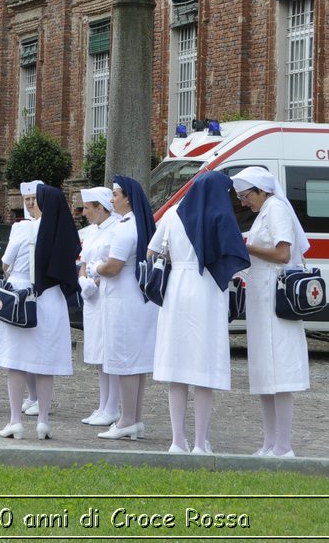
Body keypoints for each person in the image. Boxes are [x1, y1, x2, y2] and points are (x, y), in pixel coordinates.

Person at [149, 170, 249, 454]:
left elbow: (151, 252)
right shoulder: (220, 216)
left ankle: (176, 440)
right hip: (207, 289)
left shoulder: (172, 216)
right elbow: (237, 258)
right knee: (205, 369)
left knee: (177, 368)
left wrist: (174, 258)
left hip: (177, 291)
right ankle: (200, 442)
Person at [233, 165, 311, 457]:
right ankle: (269, 442)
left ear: (261, 190)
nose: (243, 202)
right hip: (260, 298)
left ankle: (284, 445)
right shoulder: (263, 213)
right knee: (265, 374)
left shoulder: (276, 209)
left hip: (276, 300)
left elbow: (283, 253)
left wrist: (247, 249)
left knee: (281, 374)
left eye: (245, 196)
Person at [0, 183, 78, 440]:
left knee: (16, 364)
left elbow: (6, 263)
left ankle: (15, 420)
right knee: (45, 364)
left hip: (22, 299)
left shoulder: (22, 228)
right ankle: (43, 422)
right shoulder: (64, 231)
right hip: (50, 300)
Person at [86, 175, 159, 441]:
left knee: (126, 360)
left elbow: (113, 266)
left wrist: (95, 267)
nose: (112, 198)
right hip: (137, 298)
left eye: (116, 194)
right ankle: (134, 418)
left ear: (128, 197)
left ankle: (127, 419)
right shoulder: (138, 223)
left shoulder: (125, 227)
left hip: (124, 299)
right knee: (136, 362)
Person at [76, 186, 120, 426]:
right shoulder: (92, 231)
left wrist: (96, 280)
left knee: (109, 352)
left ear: (101, 208)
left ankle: (113, 406)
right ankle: (103, 404)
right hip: (91, 297)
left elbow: (114, 263)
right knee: (97, 353)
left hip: (108, 294)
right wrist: (83, 280)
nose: (84, 212)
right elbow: (84, 260)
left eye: (88, 208)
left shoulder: (116, 230)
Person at [1, 182, 41, 416]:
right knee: (21, 346)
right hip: (20, 286)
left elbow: (7, 261)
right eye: (26, 199)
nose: (29, 203)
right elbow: (7, 263)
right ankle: (31, 395)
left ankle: (37, 396)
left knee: (32, 345)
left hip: (34, 288)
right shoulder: (20, 227)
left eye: (34, 198)